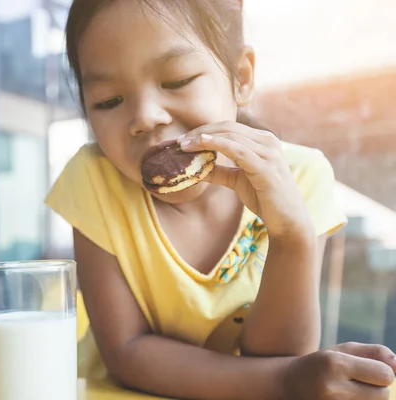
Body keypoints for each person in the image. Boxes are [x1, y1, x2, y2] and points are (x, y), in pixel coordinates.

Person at [45, 0, 396, 399]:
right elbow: (127, 352)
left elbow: (280, 356)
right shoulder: (95, 181)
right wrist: (286, 381)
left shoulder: (299, 178)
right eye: (108, 100)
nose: (145, 116)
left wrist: (291, 236)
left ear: (241, 78)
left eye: (176, 80)